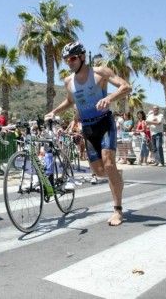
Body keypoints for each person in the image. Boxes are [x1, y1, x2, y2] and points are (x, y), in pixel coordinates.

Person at [45, 42, 131, 226]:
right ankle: (116, 174)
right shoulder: (69, 82)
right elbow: (69, 101)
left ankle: (117, 210)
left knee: (108, 163)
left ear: (82, 57)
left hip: (104, 122)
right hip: (88, 128)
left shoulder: (101, 72)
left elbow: (126, 87)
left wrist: (109, 98)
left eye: (73, 58)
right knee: (100, 172)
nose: (70, 62)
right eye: (67, 60)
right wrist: (54, 112)